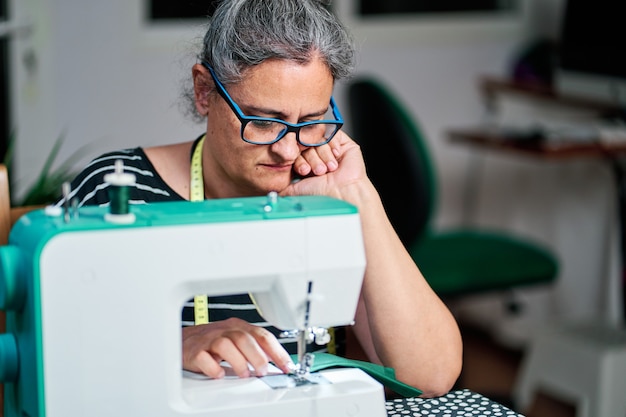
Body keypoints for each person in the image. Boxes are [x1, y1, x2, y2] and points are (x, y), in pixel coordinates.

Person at [57, 0, 462, 398]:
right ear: (204, 91)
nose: (288, 152)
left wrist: (360, 196)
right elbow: (57, 352)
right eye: (264, 122)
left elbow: (430, 376)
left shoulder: (326, 196)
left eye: (310, 122)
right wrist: (170, 344)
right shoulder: (115, 193)